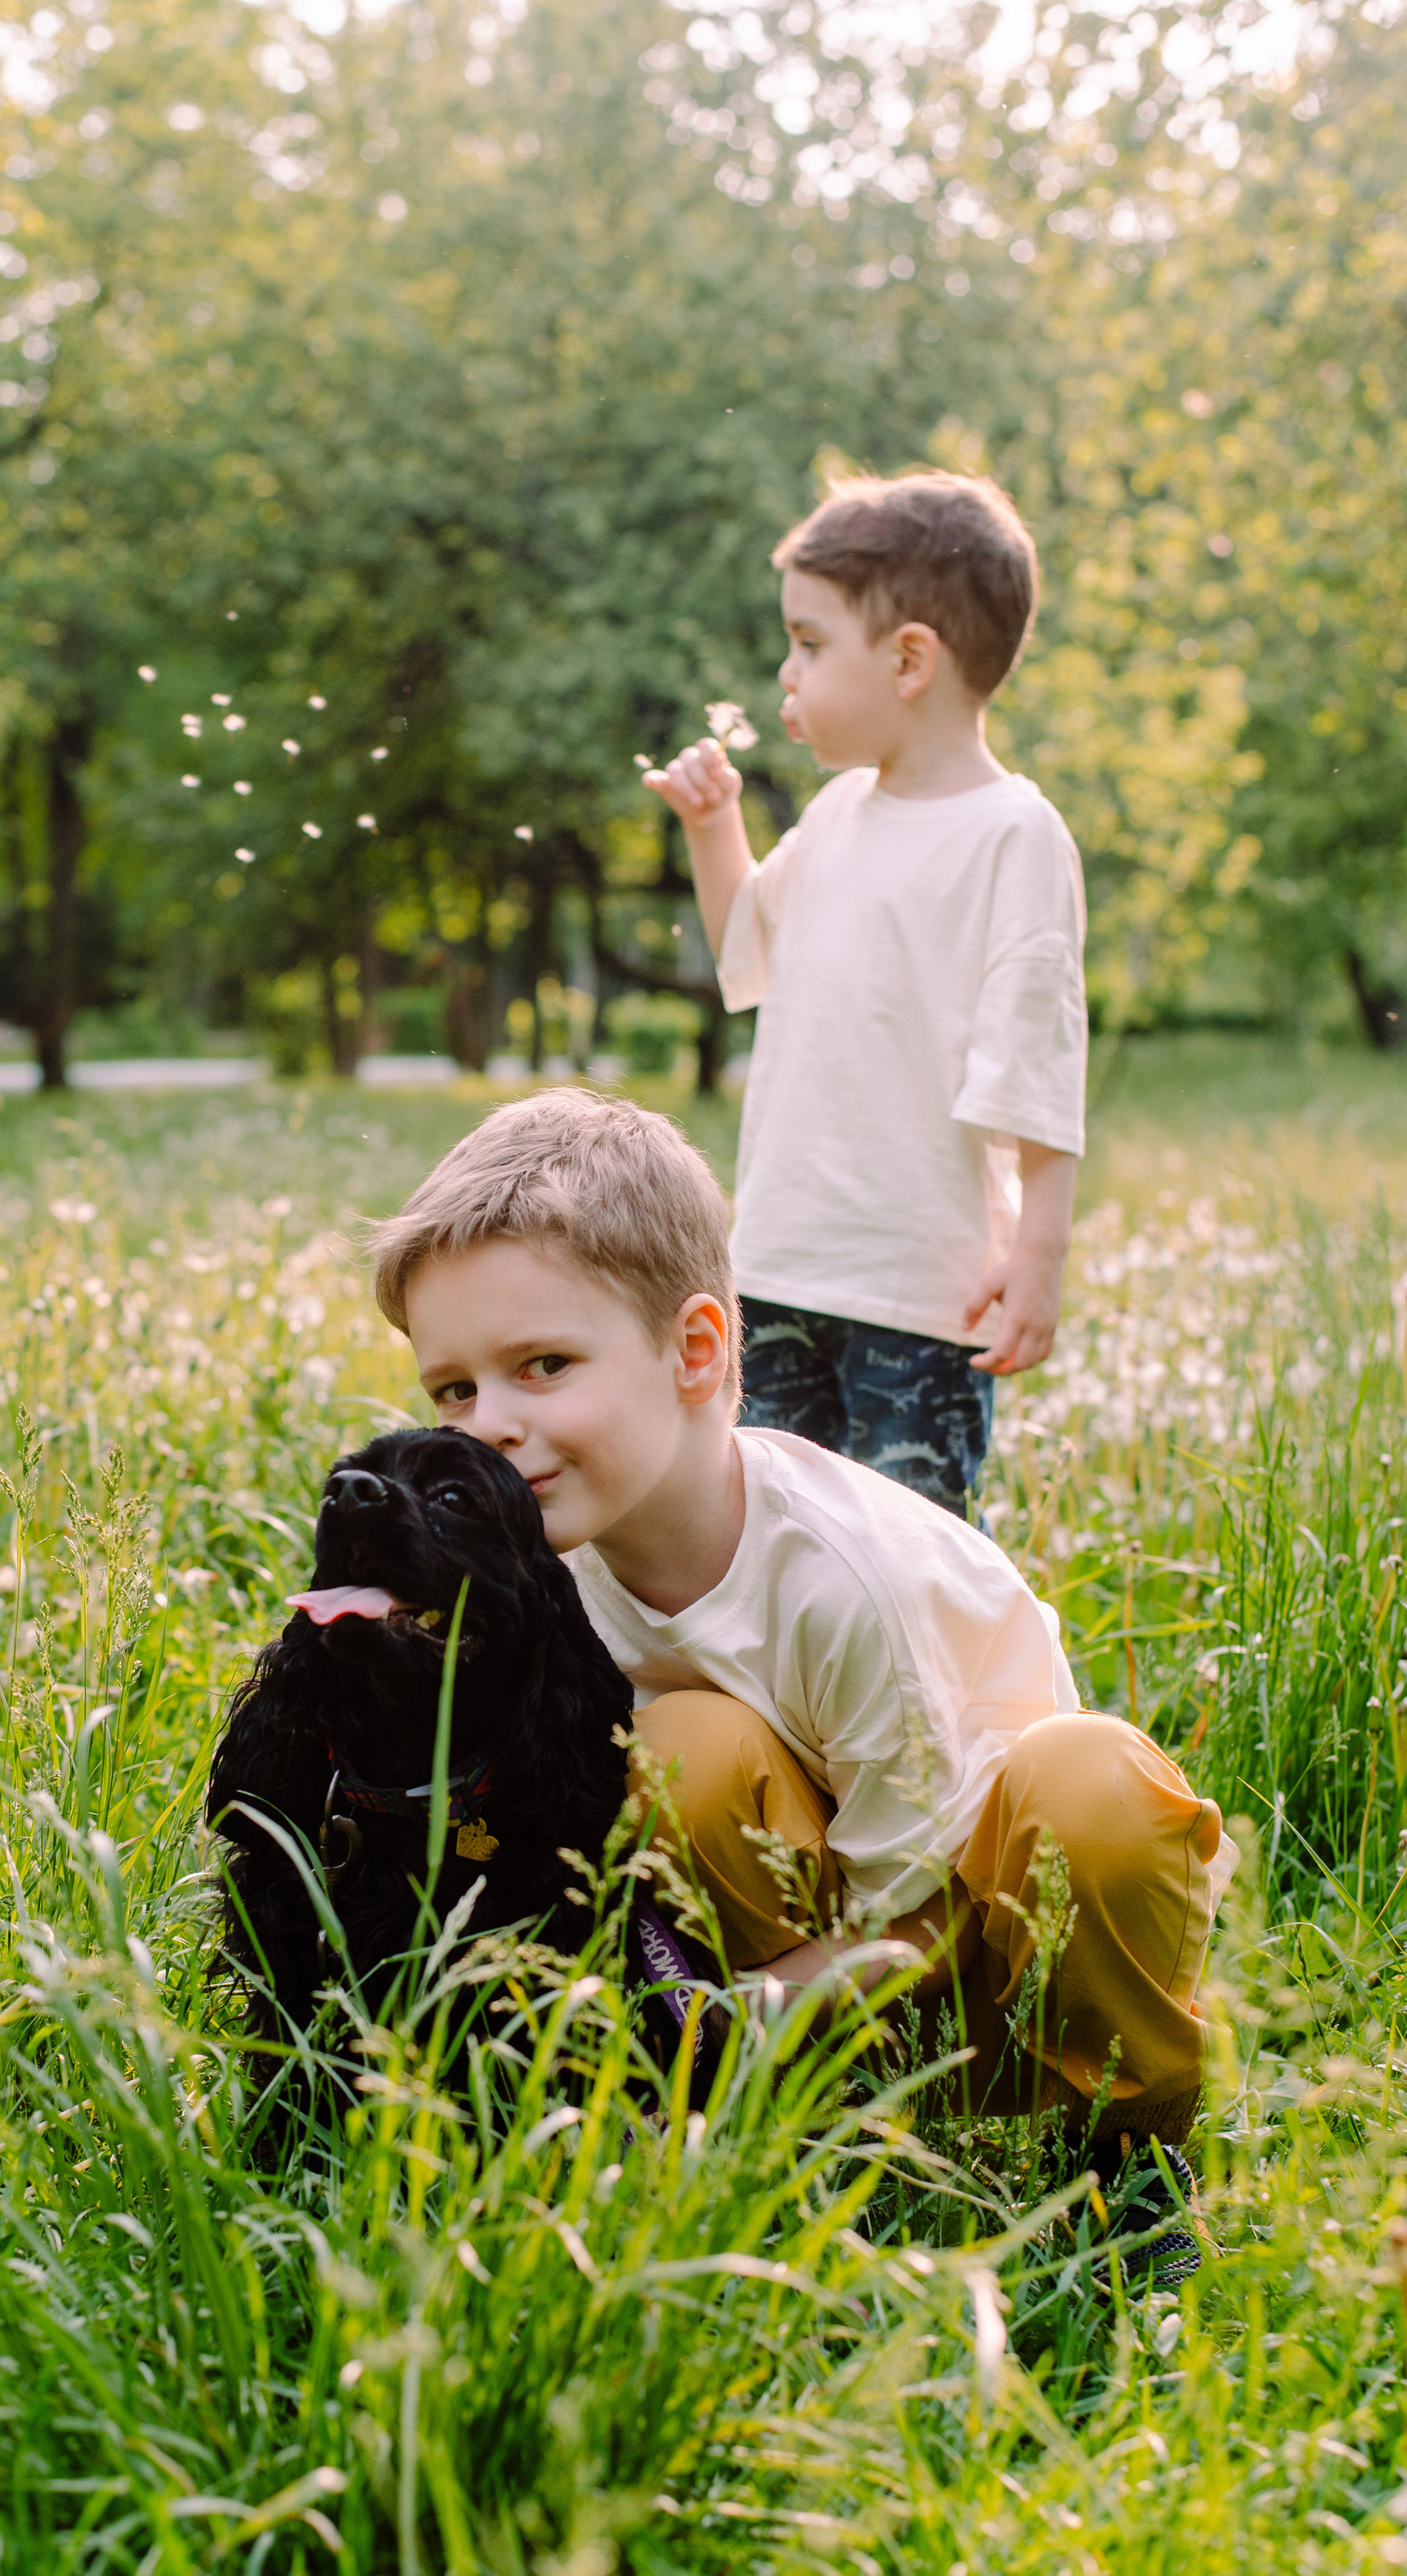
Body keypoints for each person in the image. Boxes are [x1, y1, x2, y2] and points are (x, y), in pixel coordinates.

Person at [369, 1091, 1236, 2282]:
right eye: (455, 1391)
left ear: (696, 1350)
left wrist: (725, 2011)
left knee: (1091, 1784)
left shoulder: (847, 1580)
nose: (492, 1428)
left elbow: (925, 1922)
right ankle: (801, 2127)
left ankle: (1135, 2161)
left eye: (544, 1365)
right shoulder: (548, 1579)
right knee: (682, 1746)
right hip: (821, 1986)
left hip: (1009, 1973)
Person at [645, 470, 1086, 1519]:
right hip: (779, 1263)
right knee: (763, 1532)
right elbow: (747, 946)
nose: (786, 673)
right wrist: (713, 828)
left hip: (922, 1292)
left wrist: (1038, 1254)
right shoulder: (839, 813)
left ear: (909, 660)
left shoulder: (1012, 835)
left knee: (906, 1547)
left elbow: (1035, 1061)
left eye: (809, 643)